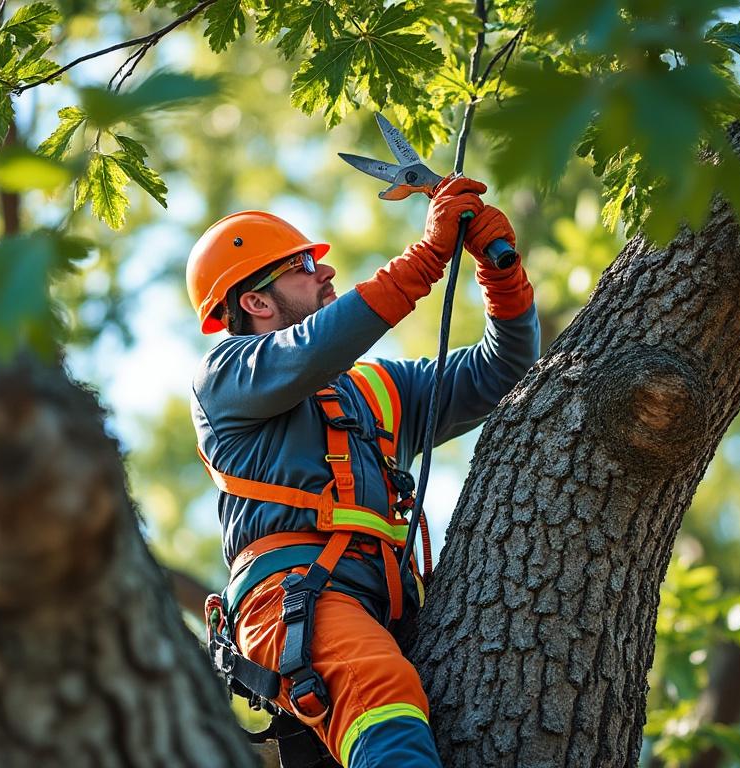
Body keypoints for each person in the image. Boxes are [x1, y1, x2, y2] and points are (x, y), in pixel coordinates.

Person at [188, 176, 539, 768]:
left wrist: (500, 275)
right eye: (302, 265)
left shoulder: (374, 391)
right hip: (297, 596)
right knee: (383, 698)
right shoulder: (225, 379)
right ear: (256, 301)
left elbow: (502, 368)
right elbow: (313, 349)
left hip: (388, 605)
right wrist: (426, 259)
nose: (324, 272)